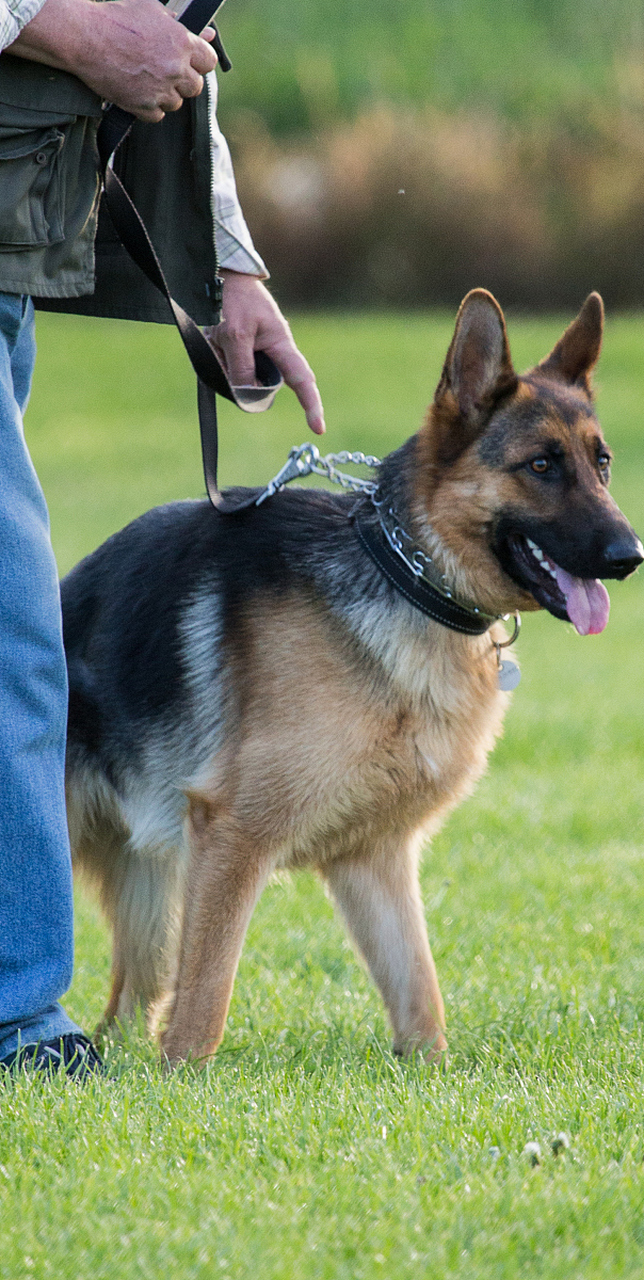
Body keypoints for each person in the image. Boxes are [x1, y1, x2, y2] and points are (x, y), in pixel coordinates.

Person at [0, 0, 325, 1077]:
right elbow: (119, 33)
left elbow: (170, 44)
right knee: (13, 628)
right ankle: (17, 1020)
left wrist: (230, 273)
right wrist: (66, 28)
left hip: (12, 260)